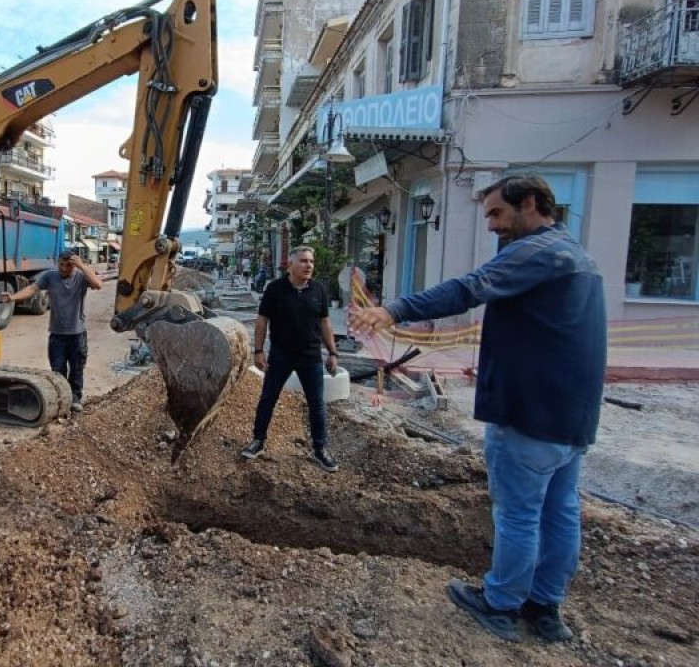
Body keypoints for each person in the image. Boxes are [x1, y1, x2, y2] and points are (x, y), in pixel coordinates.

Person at [350, 176, 606, 644]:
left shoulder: (535, 253)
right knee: (560, 513)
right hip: (572, 417)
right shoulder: (578, 256)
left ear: (530, 204)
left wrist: (394, 310)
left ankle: (502, 604)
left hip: (529, 414)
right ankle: (546, 609)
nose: (491, 226)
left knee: (518, 515)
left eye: (496, 214)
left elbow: (471, 288)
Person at [241, 245, 341, 473]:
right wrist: (258, 350)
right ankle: (258, 441)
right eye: (304, 261)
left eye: (311, 262)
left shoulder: (319, 290)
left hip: (311, 357)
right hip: (281, 355)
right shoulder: (275, 289)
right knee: (268, 398)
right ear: (290, 264)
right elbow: (262, 320)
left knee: (316, 405)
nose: (309, 266)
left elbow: (325, 322)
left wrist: (332, 353)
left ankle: (320, 449)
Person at [11, 250, 102, 413]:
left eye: (68, 265)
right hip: (57, 334)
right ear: (57, 263)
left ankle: (75, 399)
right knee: (57, 370)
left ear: (74, 265)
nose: (64, 268)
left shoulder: (81, 278)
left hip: (77, 334)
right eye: (61, 264)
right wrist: (12, 298)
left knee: (77, 369)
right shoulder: (50, 277)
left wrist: (81, 266)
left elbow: (98, 284)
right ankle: (62, 400)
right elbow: (32, 288)